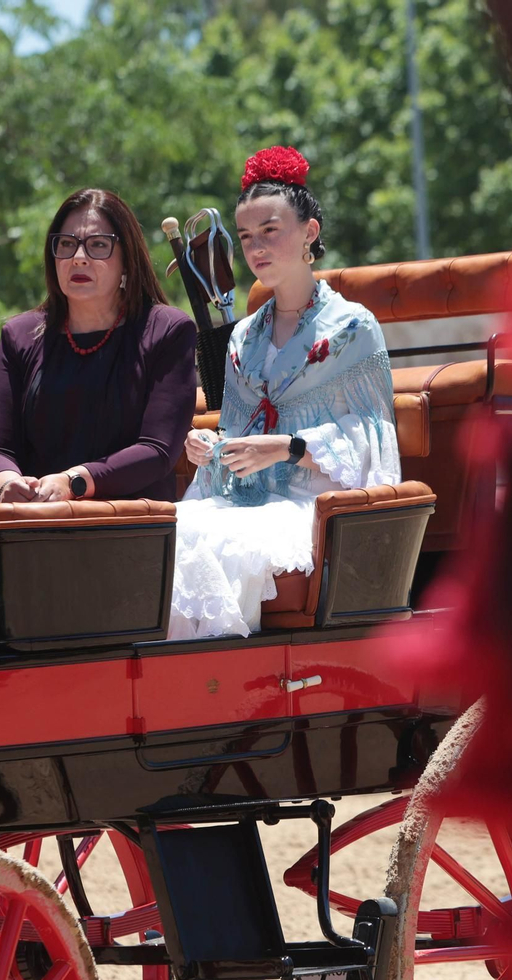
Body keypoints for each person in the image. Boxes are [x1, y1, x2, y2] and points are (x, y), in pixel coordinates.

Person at [169, 147, 400, 639]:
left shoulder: (352, 327)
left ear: (309, 233)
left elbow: (374, 445)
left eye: (270, 231)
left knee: (225, 541)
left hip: (314, 508)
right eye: (247, 237)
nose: (256, 248)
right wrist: (212, 451)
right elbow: (238, 435)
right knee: (169, 532)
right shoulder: (242, 337)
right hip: (248, 502)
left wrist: (289, 447)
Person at [0, 188, 197, 504]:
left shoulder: (167, 330)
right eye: (66, 244)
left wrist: (74, 483)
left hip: (128, 526)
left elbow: (157, 450)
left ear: (127, 260)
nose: (78, 257)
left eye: (98, 245)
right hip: (33, 524)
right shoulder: (19, 336)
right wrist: (6, 483)